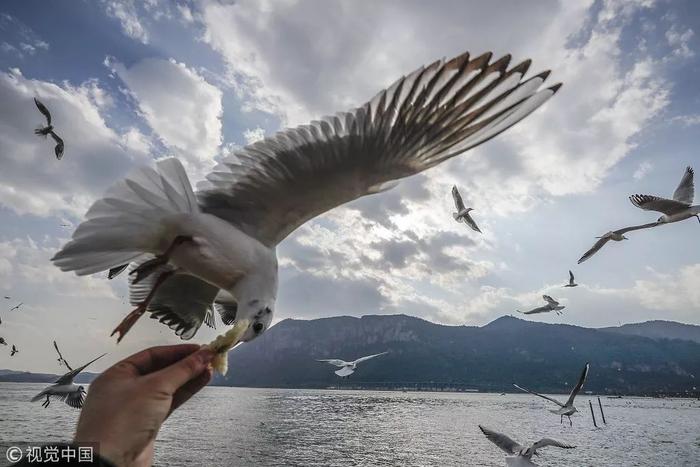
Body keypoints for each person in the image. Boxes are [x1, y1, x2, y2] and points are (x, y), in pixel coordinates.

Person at [13, 344, 215, 466]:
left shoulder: (74, 392)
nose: (81, 391)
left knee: (58, 396)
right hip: (54, 389)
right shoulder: (69, 381)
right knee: (52, 393)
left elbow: (76, 400)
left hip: (88, 452)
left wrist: (114, 457)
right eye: (81, 390)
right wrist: (108, 455)